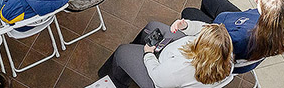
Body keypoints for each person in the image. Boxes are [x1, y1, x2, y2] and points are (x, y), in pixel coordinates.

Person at [178, 0, 284, 74]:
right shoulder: (279, 24)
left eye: (259, 1)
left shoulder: (243, 38)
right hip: (233, 23)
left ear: (266, 13)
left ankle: (205, 20)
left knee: (188, 13)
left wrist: (191, 27)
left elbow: (219, 45)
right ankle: (207, 17)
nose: (256, 0)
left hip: (223, 37)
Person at [100, 19, 234, 88]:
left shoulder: (183, 68)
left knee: (123, 52)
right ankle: (136, 54)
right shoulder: (225, 54)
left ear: (202, 47)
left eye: (200, 37)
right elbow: (204, 27)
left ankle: (114, 81)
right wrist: (186, 25)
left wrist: (148, 55)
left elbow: (157, 76)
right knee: (152, 26)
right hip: (174, 53)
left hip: (158, 76)